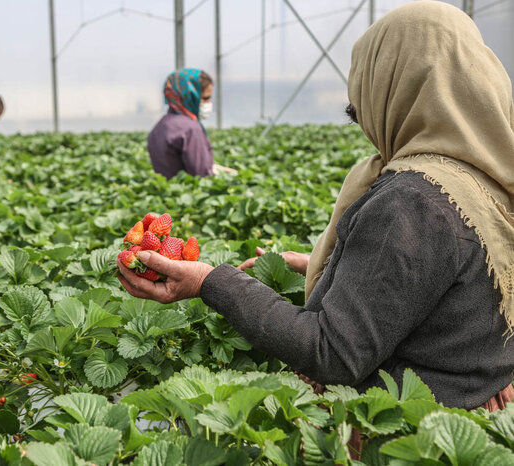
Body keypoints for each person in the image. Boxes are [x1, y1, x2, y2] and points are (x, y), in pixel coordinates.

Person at [118, 1, 514, 414]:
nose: (364, 122)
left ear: (396, 86)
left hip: (400, 433)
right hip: (473, 420)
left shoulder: (413, 201)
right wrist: (340, 267)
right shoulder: (488, 182)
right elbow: (454, 284)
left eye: (361, 105)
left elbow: (333, 352)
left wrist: (209, 282)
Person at [147, 69, 236, 179]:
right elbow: (201, 174)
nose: (208, 103)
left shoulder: (160, 125)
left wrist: (214, 168)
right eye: (205, 98)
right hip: (186, 191)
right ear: (191, 96)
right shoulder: (190, 129)